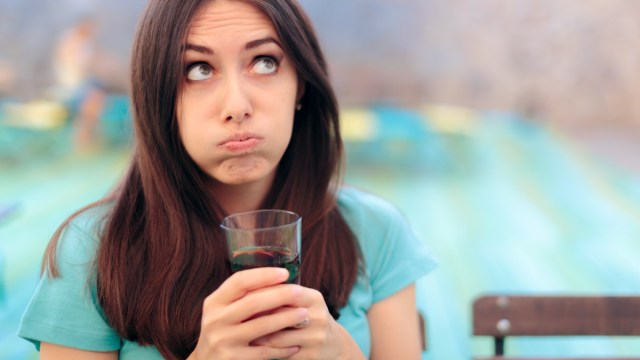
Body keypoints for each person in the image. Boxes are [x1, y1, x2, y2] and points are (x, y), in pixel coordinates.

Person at [18, 0, 436, 359]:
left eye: (265, 62)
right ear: (159, 95)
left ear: (301, 85)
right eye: (199, 69)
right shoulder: (91, 251)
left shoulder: (375, 231)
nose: (237, 105)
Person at [51, 17, 106, 151]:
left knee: (96, 97)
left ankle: (90, 138)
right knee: (91, 100)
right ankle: (84, 140)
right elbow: (76, 65)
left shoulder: (86, 42)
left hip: (85, 83)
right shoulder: (70, 39)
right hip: (72, 84)